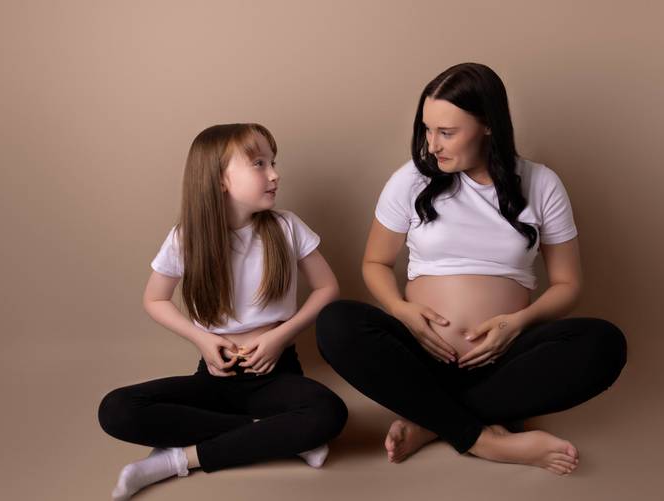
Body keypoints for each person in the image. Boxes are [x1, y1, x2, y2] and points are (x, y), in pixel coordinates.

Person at [316, 63, 626, 476]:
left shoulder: (541, 183)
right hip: (421, 353)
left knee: (604, 343)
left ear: (488, 125)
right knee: (336, 323)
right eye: (427, 130)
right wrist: (402, 311)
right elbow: (375, 263)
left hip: (503, 358)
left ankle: (434, 423)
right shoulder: (410, 180)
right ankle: (483, 439)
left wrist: (516, 324)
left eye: (447, 133)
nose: (432, 145)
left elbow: (568, 284)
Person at [98, 124, 348, 500]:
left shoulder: (287, 227)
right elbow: (155, 299)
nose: (275, 174)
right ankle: (274, 434)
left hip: (276, 374)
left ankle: (176, 460)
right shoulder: (185, 238)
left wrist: (280, 337)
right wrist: (202, 339)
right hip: (216, 377)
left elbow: (328, 288)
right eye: (259, 164)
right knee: (116, 409)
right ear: (219, 180)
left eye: (273, 162)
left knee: (330, 413)